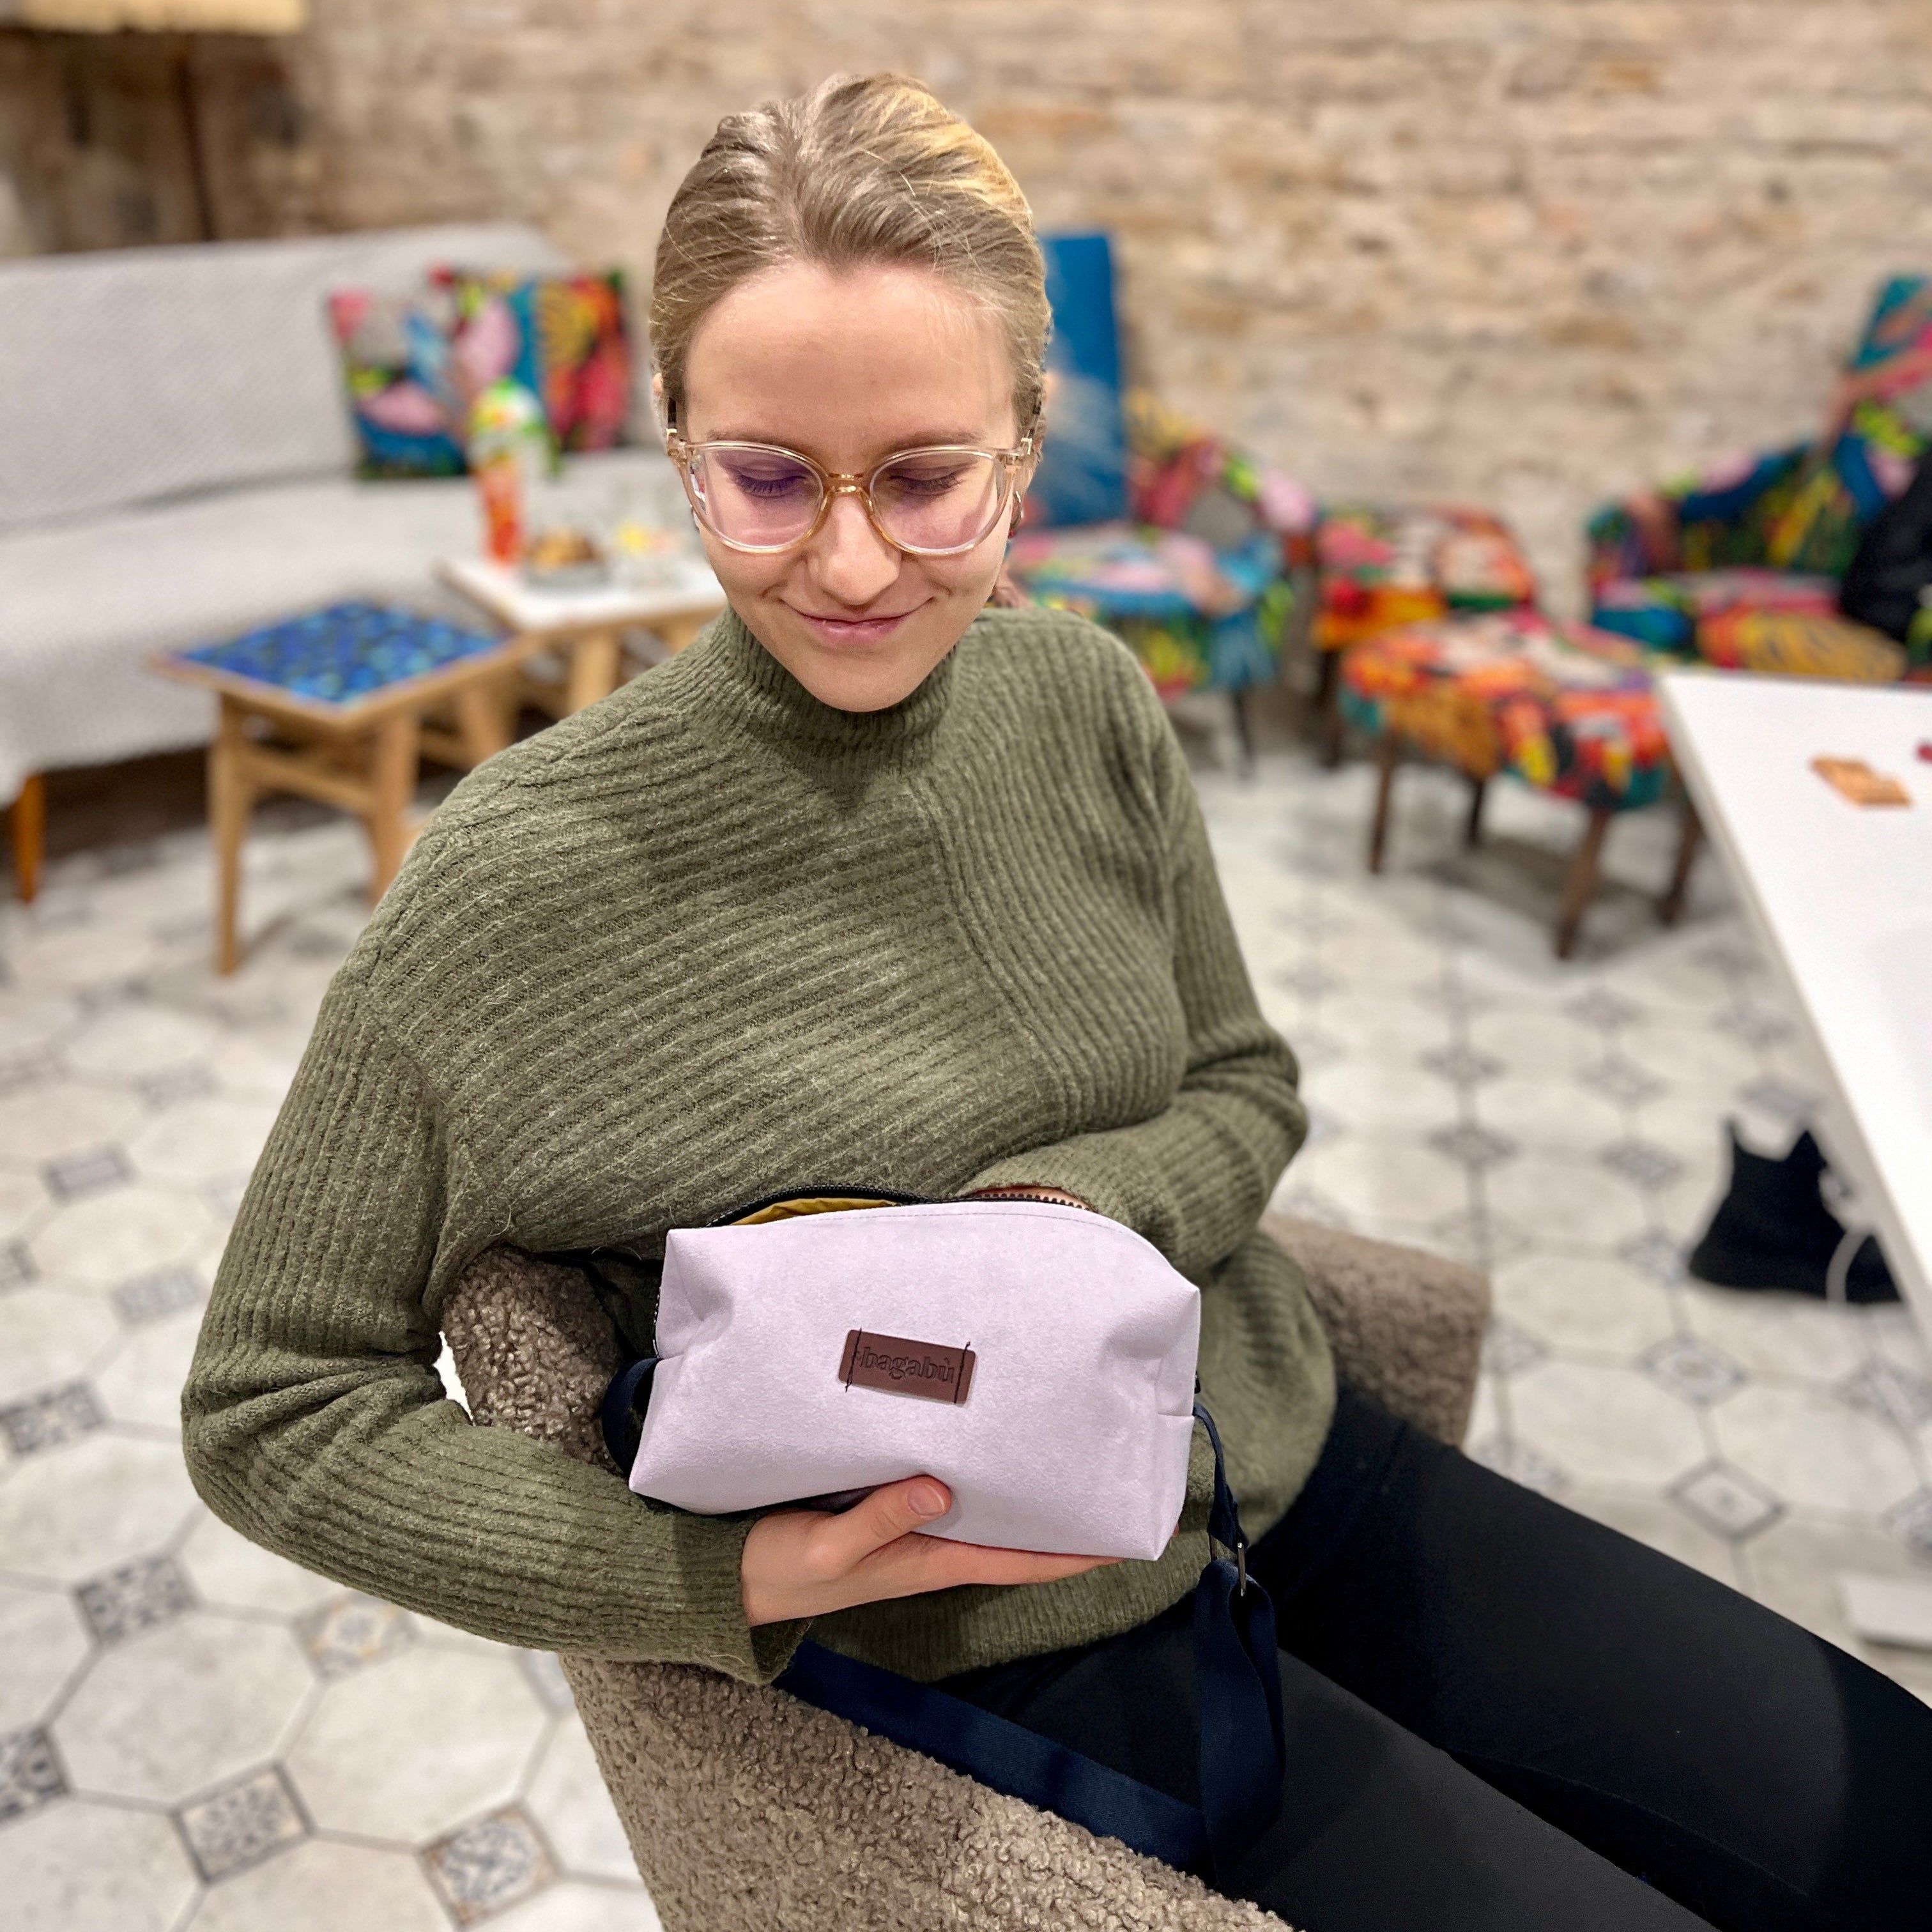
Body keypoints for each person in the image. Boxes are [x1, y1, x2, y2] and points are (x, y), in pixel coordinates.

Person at [183, 73, 1932, 1932]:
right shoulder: (520, 881)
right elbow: (267, 1401)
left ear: (1024, 447)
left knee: (1883, 1809)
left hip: (1276, 1457)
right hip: (987, 1639)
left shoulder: (1085, 702)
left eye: (928, 478)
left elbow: (1244, 1086)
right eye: (768, 478)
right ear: (680, 449)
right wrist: (704, 1582)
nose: (850, 564)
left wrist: (1083, 1220)